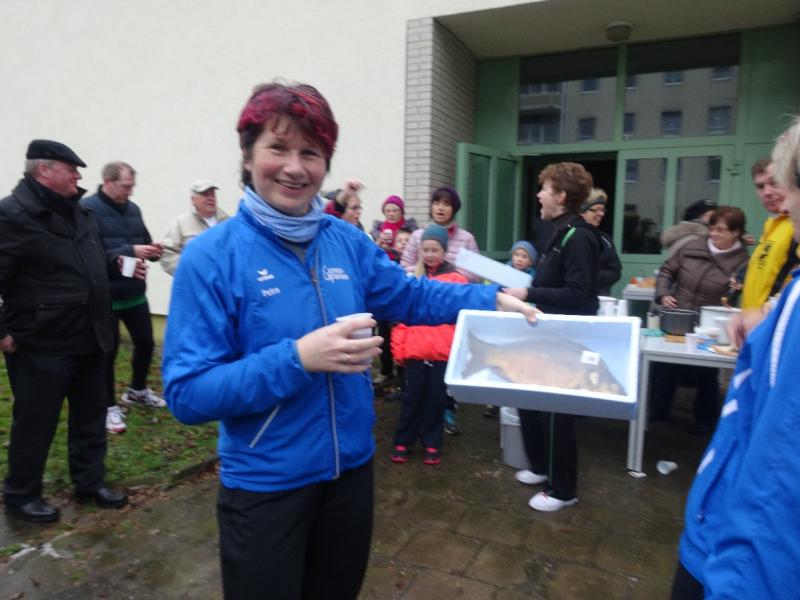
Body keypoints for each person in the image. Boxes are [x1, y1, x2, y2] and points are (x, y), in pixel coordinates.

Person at [161, 81, 536, 599]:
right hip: (266, 486)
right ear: (247, 156)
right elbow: (187, 394)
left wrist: (490, 298)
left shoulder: (343, 241)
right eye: (278, 148)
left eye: (311, 153)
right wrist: (298, 359)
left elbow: (408, 294)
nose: (295, 167)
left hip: (350, 474)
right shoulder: (210, 257)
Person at [671, 117, 800, 599]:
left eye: (782, 186)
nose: (778, 198)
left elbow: (777, 478)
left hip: (734, 555)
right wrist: (767, 309)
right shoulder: (774, 232)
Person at [0, 140, 130, 523]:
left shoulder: (79, 211)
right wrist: (2, 333)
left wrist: (115, 261)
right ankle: (21, 496)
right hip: (42, 343)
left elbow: (86, 259)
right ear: (44, 170)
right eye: (70, 169)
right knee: (35, 423)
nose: (77, 175)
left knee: (90, 416)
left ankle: (89, 483)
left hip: (90, 335)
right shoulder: (12, 214)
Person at [504, 162, 600, 512]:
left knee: (558, 414)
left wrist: (528, 293)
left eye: (544, 189)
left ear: (560, 196)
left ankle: (562, 490)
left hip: (566, 339)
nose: (538, 195)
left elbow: (579, 294)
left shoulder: (580, 237)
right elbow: (551, 283)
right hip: (544, 334)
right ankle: (541, 466)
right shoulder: (556, 233)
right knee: (530, 403)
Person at [81, 162, 166, 436]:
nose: (130, 192)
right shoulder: (86, 209)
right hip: (105, 296)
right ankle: (108, 406)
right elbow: (88, 253)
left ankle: (137, 391)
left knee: (145, 344)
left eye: (132, 187)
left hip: (134, 292)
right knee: (108, 352)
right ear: (108, 181)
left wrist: (154, 250)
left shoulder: (134, 209)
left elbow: (144, 242)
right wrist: (130, 250)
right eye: (125, 186)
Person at [652, 207, 749, 432]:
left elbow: (737, 294)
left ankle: (705, 419)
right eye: (712, 228)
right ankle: (658, 411)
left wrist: (736, 289)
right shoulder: (692, 246)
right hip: (678, 316)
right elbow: (667, 270)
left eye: (721, 230)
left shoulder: (743, 261)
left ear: (736, 232)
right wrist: (663, 294)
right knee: (665, 366)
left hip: (710, 324)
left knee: (707, 372)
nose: (714, 234)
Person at [389, 224, 466, 466]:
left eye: (435, 250)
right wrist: (399, 350)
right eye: (426, 250)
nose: (430, 254)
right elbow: (401, 319)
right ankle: (403, 439)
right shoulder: (413, 280)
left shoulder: (457, 280)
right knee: (410, 399)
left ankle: (432, 441)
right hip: (415, 352)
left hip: (442, 354)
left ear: (444, 251)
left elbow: (462, 320)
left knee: (436, 400)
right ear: (419, 251)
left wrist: (458, 353)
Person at [739, 158, 798, 309]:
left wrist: (767, 312)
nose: (767, 192)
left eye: (774, 183)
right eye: (760, 187)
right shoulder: (772, 224)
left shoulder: (796, 224)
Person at [400, 186, 479, 281]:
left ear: (454, 209)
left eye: (446, 204)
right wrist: (424, 272)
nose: (440, 208)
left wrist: (450, 277)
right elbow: (404, 267)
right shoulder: (417, 235)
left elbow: (473, 273)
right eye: (436, 203)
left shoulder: (467, 239)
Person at [160, 179, 230, 275]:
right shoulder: (180, 223)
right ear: (193, 200)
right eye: (205, 195)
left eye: (212, 194)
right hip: (193, 281)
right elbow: (167, 255)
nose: (211, 198)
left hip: (223, 281)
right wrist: (190, 272)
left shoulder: (227, 223)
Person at [580, 188, 621, 296]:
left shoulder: (605, 240)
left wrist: (593, 277)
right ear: (583, 212)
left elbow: (615, 271)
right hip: (572, 298)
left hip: (600, 297)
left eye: (602, 210)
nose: (601, 214)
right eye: (597, 210)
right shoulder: (570, 236)